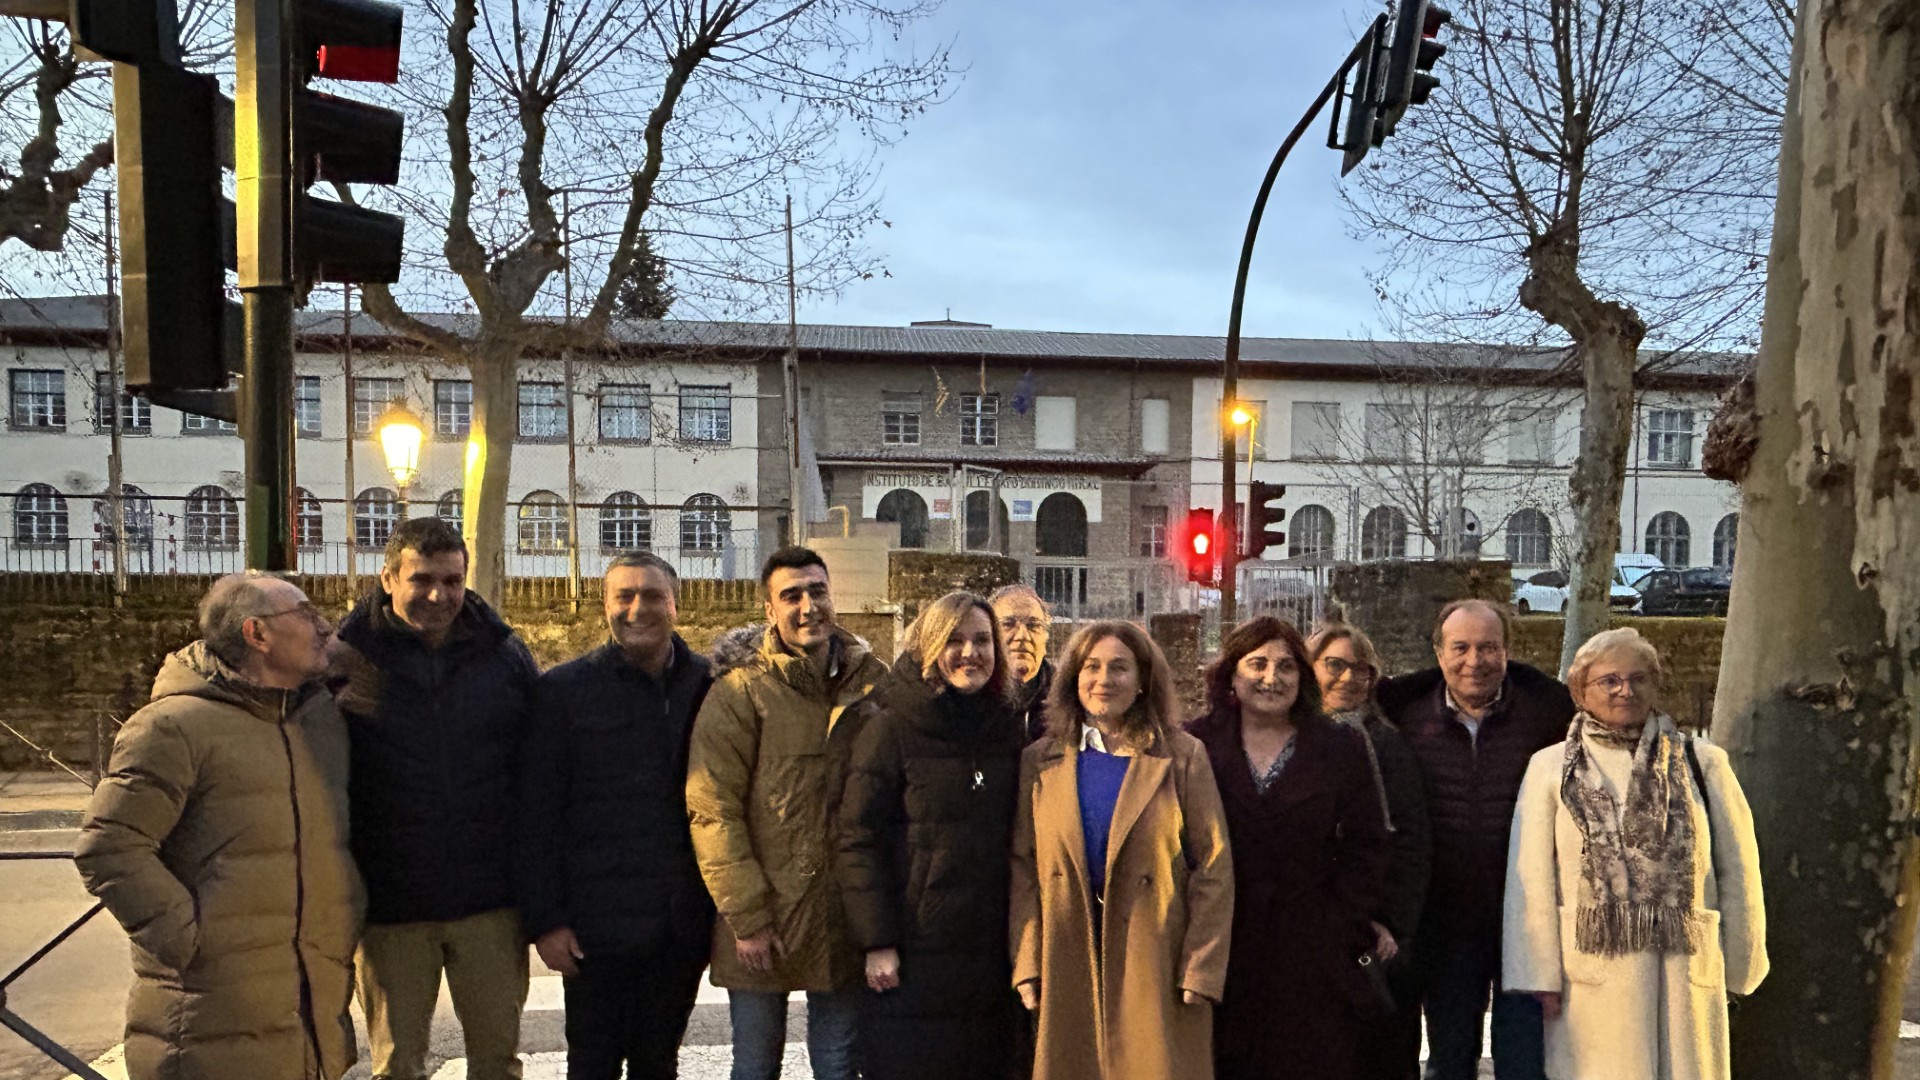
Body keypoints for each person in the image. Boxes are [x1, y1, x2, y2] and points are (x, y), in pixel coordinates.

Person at [76, 573, 363, 1080]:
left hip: (307, 1011)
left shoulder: (318, 719)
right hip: (210, 1019)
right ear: (257, 634)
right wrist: (189, 940)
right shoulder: (172, 726)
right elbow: (110, 847)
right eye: (304, 614)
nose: (324, 627)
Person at [1503, 628, 1766, 1080]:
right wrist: (1538, 977)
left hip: (1683, 973)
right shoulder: (1550, 768)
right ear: (1581, 691)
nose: (1625, 690)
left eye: (1638, 679)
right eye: (1610, 680)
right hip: (1591, 980)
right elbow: (1531, 878)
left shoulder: (1702, 763)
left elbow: (1738, 872)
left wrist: (1740, 964)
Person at [328, 516, 538, 1080]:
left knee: (497, 1062)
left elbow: (534, 765)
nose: (438, 595)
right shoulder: (346, 660)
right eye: (421, 579)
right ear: (388, 577)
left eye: (452, 580)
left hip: (490, 901)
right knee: (398, 1065)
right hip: (392, 903)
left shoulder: (503, 654)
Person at [686, 546, 890, 1080]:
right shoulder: (739, 693)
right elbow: (713, 810)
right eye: (791, 595)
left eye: (817, 591)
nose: (807, 607)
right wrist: (747, 918)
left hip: (843, 916)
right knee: (755, 1065)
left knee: (839, 1065)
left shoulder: (872, 684)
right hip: (763, 915)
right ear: (769, 608)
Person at [519, 552, 716, 1080]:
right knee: (592, 1064)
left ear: (675, 605)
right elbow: (536, 813)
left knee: (659, 1063)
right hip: (593, 927)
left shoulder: (711, 687)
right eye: (623, 596)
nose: (637, 608)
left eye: (652, 596)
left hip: (677, 924)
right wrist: (547, 920)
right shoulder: (562, 692)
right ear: (603, 605)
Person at [1011, 620, 1234, 1080]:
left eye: (1119, 667)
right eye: (1091, 667)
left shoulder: (1183, 756)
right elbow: (1023, 867)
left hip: (1155, 956)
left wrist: (1200, 967)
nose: (1103, 679)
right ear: (1073, 678)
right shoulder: (1040, 761)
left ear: (1142, 682)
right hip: (1068, 949)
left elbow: (1214, 865)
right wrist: (1027, 960)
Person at [1377, 599, 1573, 1080]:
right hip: (1445, 919)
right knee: (1450, 1055)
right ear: (1439, 653)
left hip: (1525, 918)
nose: (1474, 661)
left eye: (1488, 647)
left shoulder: (1545, 714)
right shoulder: (1404, 715)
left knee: (1525, 1059)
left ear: (1508, 652)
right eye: (1460, 647)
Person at [836, 591, 1029, 1080]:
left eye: (983, 640)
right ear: (928, 648)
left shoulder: (1006, 726)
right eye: (954, 640)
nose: (970, 653)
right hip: (915, 948)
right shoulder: (889, 726)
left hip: (989, 949)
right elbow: (858, 839)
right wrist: (877, 941)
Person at [1187, 617, 1390, 1080]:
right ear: (1231, 676)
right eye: (1256, 664)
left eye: (1286, 667)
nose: (1271, 678)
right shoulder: (1195, 744)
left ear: (1303, 678)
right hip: (1222, 941)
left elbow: (1370, 842)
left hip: (1313, 947)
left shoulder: (1340, 745)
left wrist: (1344, 922)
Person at [1308, 622, 1433, 1080]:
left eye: (1362, 670)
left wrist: (1392, 922)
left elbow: (1411, 840)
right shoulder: (1289, 738)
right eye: (1335, 665)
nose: (1348, 678)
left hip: (1378, 935)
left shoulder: (1387, 742)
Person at [990, 583, 1054, 742]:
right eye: (1008, 624)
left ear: (1046, 639)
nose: (1022, 635)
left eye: (1034, 626)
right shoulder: (972, 696)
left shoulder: (1069, 697)